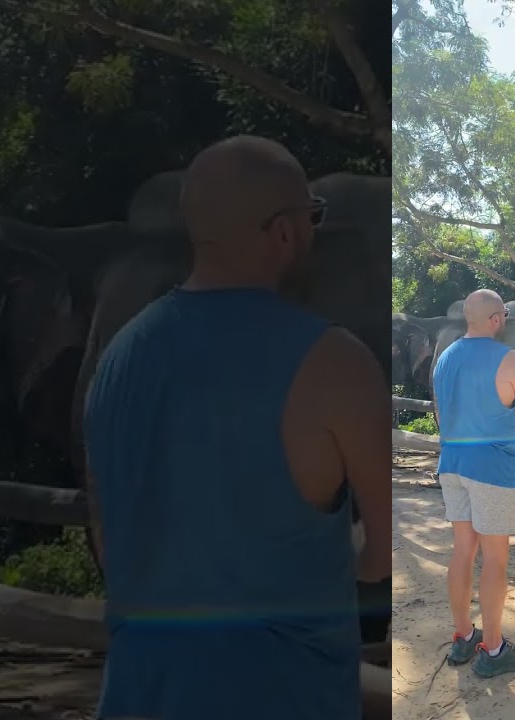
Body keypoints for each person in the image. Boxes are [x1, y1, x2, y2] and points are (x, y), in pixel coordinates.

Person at [82, 135, 391, 720]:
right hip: (284, 692)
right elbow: (384, 551)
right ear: (283, 231)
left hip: (136, 694)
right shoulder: (334, 363)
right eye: (312, 217)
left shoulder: (119, 358)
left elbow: (107, 530)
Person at [431, 289, 515, 677]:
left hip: (452, 465)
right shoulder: (510, 359)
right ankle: (493, 651)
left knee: (463, 550)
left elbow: (442, 419)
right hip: (492, 470)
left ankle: (463, 636)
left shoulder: (444, 358)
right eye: (505, 314)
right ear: (495, 319)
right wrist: (503, 421)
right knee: (495, 558)